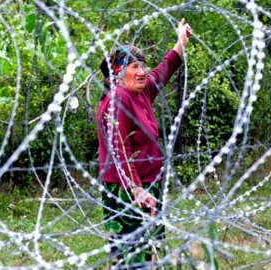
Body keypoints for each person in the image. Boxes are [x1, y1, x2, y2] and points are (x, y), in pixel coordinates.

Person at [96, 18, 192, 268]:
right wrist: (136, 189)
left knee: (148, 254)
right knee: (132, 258)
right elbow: (119, 149)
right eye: (134, 66)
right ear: (118, 71)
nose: (142, 72)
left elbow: (162, 72)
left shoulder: (139, 93)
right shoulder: (119, 100)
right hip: (126, 192)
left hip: (148, 187)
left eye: (143, 66)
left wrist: (180, 44)